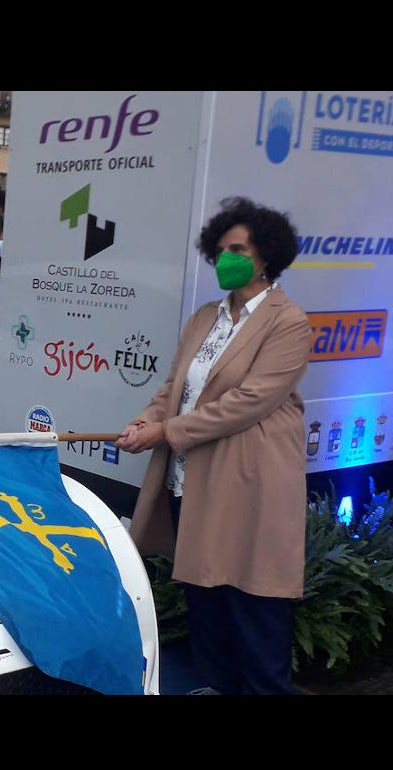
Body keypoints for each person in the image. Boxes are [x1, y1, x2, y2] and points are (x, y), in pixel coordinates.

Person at [115, 197, 313, 695]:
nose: (227, 257)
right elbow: (175, 387)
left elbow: (250, 401)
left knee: (254, 606)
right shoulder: (206, 316)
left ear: (265, 256)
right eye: (221, 249)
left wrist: (168, 432)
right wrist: (146, 421)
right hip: (192, 480)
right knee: (205, 600)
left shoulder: (288, 321)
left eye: (238, 249)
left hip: (250, 483)